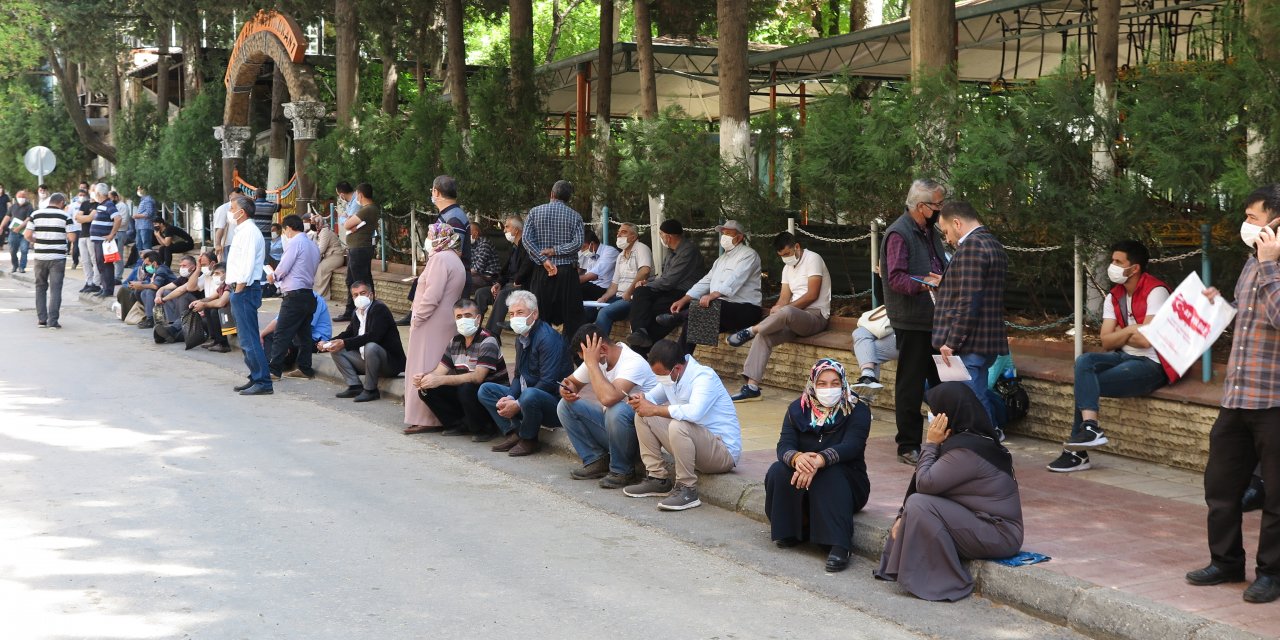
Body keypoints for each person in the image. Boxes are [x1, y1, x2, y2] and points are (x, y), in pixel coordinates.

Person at [1187, 185, 1280, 604]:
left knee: (1277, 496)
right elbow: (1251, 319)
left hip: (1274, 401)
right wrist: (1218, 305)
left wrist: (1271, 266)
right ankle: (1225, 562)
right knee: (1221, 487)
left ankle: (1272, 574)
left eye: (1254, 217)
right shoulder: (1250, 262)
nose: (1246, 225)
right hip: (1237, 397)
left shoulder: (1267, 263)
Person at [875, 382, 1024, 601]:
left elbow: (924, 483)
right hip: (982, 522)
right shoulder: (966, 441)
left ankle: (947, 582)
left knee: (919, 504)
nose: (931, 418)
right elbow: (930, 486)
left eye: (935, 413)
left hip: (1000, 534)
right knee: (919, 504)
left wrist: (930, 444)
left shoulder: (967, 451)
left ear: (948, 415)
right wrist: (901, 515)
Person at [1049, 240, 1176, 473]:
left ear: (1134, 268)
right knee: (1084, 362)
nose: (1112, 265)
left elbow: (1147, 341)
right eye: (1112, 260)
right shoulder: (1114, 295)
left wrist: (1121, 331)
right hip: (1124, 357)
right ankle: (1090, 427)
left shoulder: (1156, 291)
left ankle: (1078, 453)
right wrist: (1132, 330)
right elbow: (1106, 341)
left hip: (1153, 365)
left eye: (1118, 261)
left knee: (1085, 384)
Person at [764, 359, 872, 572]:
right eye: (822, 383)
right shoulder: (797, 409)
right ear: (813, 384)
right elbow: (784, 445)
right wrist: (797, 458)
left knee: (830, 473)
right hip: (807, 478)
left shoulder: (858, 410)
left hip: (848, 483)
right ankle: (795, 531)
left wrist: (820, 460)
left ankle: (839, 545)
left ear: (843, 384)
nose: (829, 389)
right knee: (778, 470)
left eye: (834, 383)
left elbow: (853, 445)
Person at [623, 339, 741, 511]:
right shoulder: (671, 378)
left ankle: (687, 489)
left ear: (677, 368)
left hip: (722, 452)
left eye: (661, 374)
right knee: (642, 415)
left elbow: (694, 413)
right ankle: (658, 479)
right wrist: (641, 400)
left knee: (678, 425)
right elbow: (652, 399)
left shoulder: (703, 377)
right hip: (695, 446)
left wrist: (654, 409)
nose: (659, 379)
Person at [881, 178, 949, 465]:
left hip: (935, 318)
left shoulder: (930, 231)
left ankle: (946, 437)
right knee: (910, 384)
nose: (940, 210)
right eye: (937, 205)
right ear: (921, 207)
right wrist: (926, 283)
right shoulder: (899, 233)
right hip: (912, 320)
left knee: (942, 383)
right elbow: (895, 277)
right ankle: (908, 444)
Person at [728, 232, 831, 402]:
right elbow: (784, 298)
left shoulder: (813, 259)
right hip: (791, 319)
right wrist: (777, 308)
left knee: (787, 312)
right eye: (782, 256)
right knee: (764, 335)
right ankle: (752, 387)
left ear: (796, 247)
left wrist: (784, 309)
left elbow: (812, 295)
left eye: (787, 254)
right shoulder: (787, 268)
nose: (785, 259)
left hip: (815, 316)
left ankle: (751, 330)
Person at [932, 201, 1009, 426]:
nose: (947, 239)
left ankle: (987, 442)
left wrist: (952, 341)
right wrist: (946, 283)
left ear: (957, 223)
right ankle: (986, 440)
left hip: (970, 342)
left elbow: (969, 300)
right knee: (976, 395)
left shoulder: (971, 247)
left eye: (946, 231)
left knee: (972, 401)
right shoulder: (992, 243)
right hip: (987, 339)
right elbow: (978, 291)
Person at [558, 324, 658, 489]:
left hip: (642, 439)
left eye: (587, 359)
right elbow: (571, 382)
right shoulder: (596, 358)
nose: (586, 363)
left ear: (602, 349)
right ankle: (596, 460)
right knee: (565, 405)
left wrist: (592, 365)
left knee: (616, 409)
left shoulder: (633, 362)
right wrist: (566, 389)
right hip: (615, 433)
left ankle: (623, 471)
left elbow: (608, 398)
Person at [477, 290, 570, 455]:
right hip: (528, 396)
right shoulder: (521, 337)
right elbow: (519, 375)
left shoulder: (547, 338)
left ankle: (529, 439)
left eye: (520, 312)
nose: (514, 318)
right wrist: (511, 397)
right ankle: (515, 432)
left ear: (534, 314)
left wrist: (518, 403)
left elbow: (548, 382)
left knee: (529, 395)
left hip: (553, 403)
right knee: (486, 390)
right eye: (512, 314)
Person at [403, 222, 468, 433]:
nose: (428, 240)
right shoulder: (454, 259)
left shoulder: (440, 259)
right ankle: (433, 416)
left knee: (423, 364)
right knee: (436, 363)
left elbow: (432, 295)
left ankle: (425, 417)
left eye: (431, 235)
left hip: (430, 321)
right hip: (445, 321)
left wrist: (418, 318)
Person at [414, 299, 509, 439]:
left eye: (468, 316)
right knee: (427, 389)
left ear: (478, 318)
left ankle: (485, 428)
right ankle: (457, 424)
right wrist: (425, 378)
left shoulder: (488, 340)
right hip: (468, 393)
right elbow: (440, 371)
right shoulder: (455, 341)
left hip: (491, 396)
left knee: (467, 387)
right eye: (459, 317)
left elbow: (478, 377)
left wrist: (439, 379)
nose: (463, 320)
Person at [666, 219, 762, 347]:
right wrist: (685, 299)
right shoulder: (720, 260)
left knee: (709, 307)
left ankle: (678, 318)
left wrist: (713, 295)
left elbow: (735, 278)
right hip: (722, 310)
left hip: (746, 309)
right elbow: (706, 281)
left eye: (728, 234)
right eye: (723, 234)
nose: (724, 237)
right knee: (694, 322)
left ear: (739, 238)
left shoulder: (749, 255)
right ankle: (683, 360)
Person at [319, 280, 406, 402]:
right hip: (366, 360)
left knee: (371, 346)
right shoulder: (356, 312)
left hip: (389, 364)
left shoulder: (379, 309)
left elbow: (374, 336)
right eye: (355, 295)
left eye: (363, 293)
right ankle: (355, 386)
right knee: (337, 349)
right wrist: (329, 342)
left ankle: (371, 390)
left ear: (371, 294)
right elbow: (348, 333)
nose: (359, 297)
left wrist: (344, 343)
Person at [625, 219, 704, 350]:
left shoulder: (688, 251)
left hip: (683, 293)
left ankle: (640, 348)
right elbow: (663, 277)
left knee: (655, 309)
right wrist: (648, 282)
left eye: (661, 234)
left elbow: (669, 281)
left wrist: (648, 285)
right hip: (669, 289)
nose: (660, 237)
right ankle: (639, 332)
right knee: (640, 293)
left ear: (668, 236)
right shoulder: (671, 251)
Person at [522, 179, 585, 337]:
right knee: (572, 318)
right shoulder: (575, 216)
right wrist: (555, 251)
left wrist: (544, 259)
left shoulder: (535, 212)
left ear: (551, 194)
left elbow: (526, 240)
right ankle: (571, 355)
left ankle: (541, 351)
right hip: (567, 273)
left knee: (539, 316)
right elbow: (578, 243)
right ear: (568, 198)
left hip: (542, 271)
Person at [225, 196, 272, 396]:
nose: (229, 211)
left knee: (249, 338)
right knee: (245, 338)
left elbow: (246, 264)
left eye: (232, 207)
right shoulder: (242, 231)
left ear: (241, 212)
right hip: (240, 288)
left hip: (244, 289)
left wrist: (238, 289)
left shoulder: (249, 233)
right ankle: (255, 376)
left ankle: (263, 381)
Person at [267, 215, 321, 381]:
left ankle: (274, 370)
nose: (285, 234)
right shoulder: (313, 245)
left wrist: (273, 276)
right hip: (308, 294)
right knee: (303, 334)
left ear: (289, 227)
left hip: (294, 295)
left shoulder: (295, 243)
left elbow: (283, 268)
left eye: (284, 230)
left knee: (281, 333)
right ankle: (305, 367)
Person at [24, 192, 75, 329]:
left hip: (40, 257)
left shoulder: (36, 214)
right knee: (55, 289)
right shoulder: (66, 216)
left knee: (40, 287)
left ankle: (42, 320)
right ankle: (53, 322)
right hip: (57, 258)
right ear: (62, 202)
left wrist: (37, 241)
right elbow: (72, 238)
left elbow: (27, 235)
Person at [593, 222, 653, 335]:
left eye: (624, 232)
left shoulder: (642, 248)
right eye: (618, 232)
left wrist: (629, 292)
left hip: (633, 298)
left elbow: (645, 271)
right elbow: (615, 284)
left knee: (604, 313)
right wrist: (604, 297)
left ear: (634, 236)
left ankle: (600, 348)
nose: (619, 235)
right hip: (619, 297)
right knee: (589, 311)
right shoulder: (620, 256)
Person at [480, 215, 534, 335]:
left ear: (516, 230)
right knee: (481, 294)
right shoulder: (513, 247)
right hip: (507, 284)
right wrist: (498, 283)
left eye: (507, 227)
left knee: (504, 294)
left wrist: (517, 281)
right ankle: (476, 329)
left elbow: (527, 268)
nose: (504, 230)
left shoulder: (527, 246)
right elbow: (505, 271)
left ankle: (491, 334)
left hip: (520, 285)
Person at [335, 183, 379, 323]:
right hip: (356, 248)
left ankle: (367, 310)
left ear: (360, 195)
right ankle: (351, 310)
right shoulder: (368, 209)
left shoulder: (367, 209)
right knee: (352, 280)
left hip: (360, 248)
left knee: (360, 281)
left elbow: (347, 224)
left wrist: (348, 220)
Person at [262, 291, 331, 380]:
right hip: (296, 336)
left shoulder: (313, 299)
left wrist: (284, 341)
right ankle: (272, 364)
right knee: (269, 335)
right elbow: (279, 321)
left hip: (316, 340)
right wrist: (262, 334)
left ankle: (278, 367)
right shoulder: (292, 297)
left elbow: (302, 327)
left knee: (292, 337)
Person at [87, 183, 121, 298]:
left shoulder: (109, 204)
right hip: (99, 240)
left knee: (106, 264)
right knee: (100, 264)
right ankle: (104, 287)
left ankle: (108, 289)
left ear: (98, 193)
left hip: (105, 241)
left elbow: (118, 218)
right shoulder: (102, 205)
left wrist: (112, 234)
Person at [128, 250, 177, 329]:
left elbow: (155, 286)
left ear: (154, 263)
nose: (146, 266)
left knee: (149, 292)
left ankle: (150, 319)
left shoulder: (162, 270)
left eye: (147, 264)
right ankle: (149, 315)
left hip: (170, 292)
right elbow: (150, 282)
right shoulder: (155, 270)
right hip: (161, 291)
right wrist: (138, 284)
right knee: (141, 291)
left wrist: (141, 285)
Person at [190, 262, 232, 352]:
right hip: (228, 315)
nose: (214, 276)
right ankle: (215, 340)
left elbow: (221, 302)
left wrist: (204, 304)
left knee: (214, 310)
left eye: (217, 273)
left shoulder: (230, 284)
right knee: (208, 308)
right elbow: (211, 298)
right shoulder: (222, 285)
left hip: (233, 316)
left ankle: (223, 344)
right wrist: (199, 302)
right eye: (214, 273)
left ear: (225, 274)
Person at [577, 228, 618, 302]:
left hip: (605, 289)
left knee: (574, 290)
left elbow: (592, 276)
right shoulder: (591, 256)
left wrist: (569, 281)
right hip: (593, 286)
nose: (582, 251)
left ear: (592, 244)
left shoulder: (610, 252)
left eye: (583, 247)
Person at [311, 212, 345, 298]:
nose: (312, 225)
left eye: (314, 223)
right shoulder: (319, 232)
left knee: (321, 270)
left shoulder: (325, 232)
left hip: (335, 256)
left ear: (319, 223)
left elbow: (321, 249)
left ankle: (320, 295)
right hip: (328, 256)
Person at [2, 189, 34, 273]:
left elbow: (28, 219)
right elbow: (7, 217)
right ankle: (15, 265)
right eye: (19, 197)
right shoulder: (13, 206)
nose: (21, 198)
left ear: (26, 197)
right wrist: (1, 226)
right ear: (16, 197)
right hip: (13, 232)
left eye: (23, 197)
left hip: (24, 232)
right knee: (12, 250)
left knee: (24, 250)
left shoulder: (29, 207)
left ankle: (22, 267)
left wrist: (19, 227)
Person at [467, 221, 499, 294]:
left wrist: (463, 273)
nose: (466, 236)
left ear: (475, 233)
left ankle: (466, 304)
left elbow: (477, 269)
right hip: (478, 276)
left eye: (468, 233)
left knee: (463, 282)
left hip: (489, 279)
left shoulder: (484, 244)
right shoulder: (472, 244)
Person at [211, 190, 238, 262]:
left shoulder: (241, 208)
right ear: (230, 197)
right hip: (227, 244)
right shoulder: (223, 209)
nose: (238, 199)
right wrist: (218, 245)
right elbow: (220, 228)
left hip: (238, 244)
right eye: (236, 197)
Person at [134, 186, 155, 252]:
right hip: (139, 226)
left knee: (146, 245)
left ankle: (147, 261)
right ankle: (140, 261)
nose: (138, 191)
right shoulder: (143, 200)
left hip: (145, 226)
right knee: (139, 245)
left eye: (140, 189)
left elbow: (149, 213)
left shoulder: (148, 200)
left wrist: (137, 216)